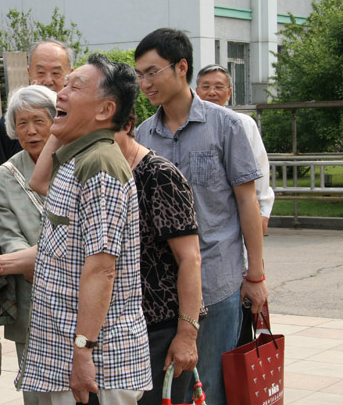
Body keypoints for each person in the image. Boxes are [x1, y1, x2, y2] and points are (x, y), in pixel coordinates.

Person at [133, 28, 268, 405]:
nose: (145, 83)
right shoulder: (143, 135)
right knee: (169, 391)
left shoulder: (227, 126)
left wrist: (256, 275)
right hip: (163, 294)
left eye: (153, 72)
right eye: (140, 75)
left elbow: (248, 203)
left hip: (217, 281)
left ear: (181, 67)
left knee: (210, 388)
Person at [17, 54, 152, 405]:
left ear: (105, 110)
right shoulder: (79, 155)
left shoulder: (100, 165)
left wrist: (83, 351)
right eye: (64, 86)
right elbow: (39, 182)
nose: (59, 93)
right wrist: (62, 126)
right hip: (66, 356)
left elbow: (102, 269)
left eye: (74, 87)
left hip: (97, 366)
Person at [113, 111, 202, 405]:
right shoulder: (103, 173)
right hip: (118, 329)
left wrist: (186, 335)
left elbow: (190, 259)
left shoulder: (159, 175)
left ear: (127, 125)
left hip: (161, 328)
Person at [0, 84, 57, 405]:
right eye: (22, 124)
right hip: (33, 298)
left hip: (83, 298)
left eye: (39, 121)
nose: (30, 131)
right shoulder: (5, 175)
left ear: (55, 122)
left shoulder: (77, 162)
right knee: (38, 395)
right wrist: (45, 263)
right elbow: (9, 237)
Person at [195, 64, 274, 235]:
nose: (212, 92)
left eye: (219, 87)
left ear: (229, 93)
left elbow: (260, 168)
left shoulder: (243, 124)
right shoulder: (188, 126)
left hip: (237, 213)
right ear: (196, 91)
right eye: (206, 87)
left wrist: (263, 211)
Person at [0, 39, 73, 165]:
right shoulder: (11, 121)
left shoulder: (79, 120)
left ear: (70, 75)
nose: (48, 81)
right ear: (29, 73)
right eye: (41, 73)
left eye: (56, 73)